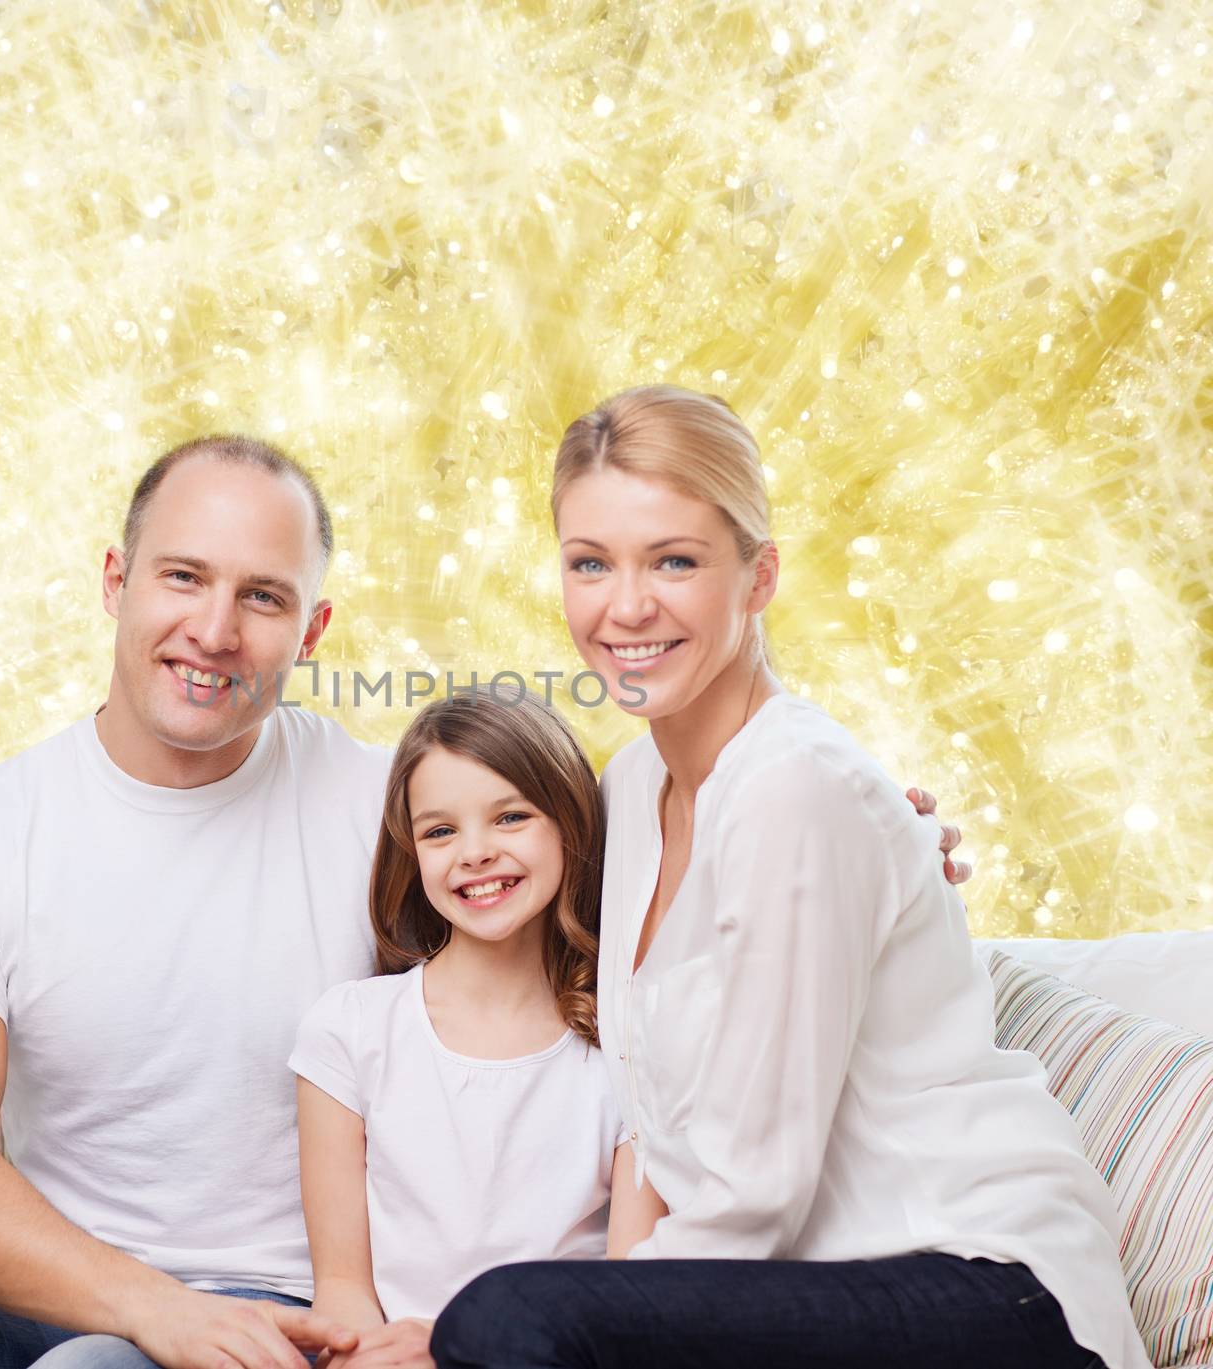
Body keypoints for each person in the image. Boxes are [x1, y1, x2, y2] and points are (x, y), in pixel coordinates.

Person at [0, 429, 965, 1369]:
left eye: (262, 597)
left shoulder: (391, 809)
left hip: (277, 1316)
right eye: (181, 578)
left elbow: (612, 822)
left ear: (312, 631)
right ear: (114, 583)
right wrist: (147, 1303)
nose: (213, 628)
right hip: (47, 1285)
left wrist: (878, 832)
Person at [429, 386, 1149, 1369]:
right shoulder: (631, 790)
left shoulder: (795, 789)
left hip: (986, 1284)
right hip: (804, 1290)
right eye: (590, 563)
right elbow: (649, 1130)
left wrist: (590, 1327)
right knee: (522, 1322)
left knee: (505, 1323)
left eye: (674, 560)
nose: (625, 605)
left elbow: (749, 1196)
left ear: (758, 575)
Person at [290, 689, 668, 1368]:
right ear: (412, 852)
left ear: (569, 825)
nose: (475, 852)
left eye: (511, 816)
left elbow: (628, 1300)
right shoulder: (349, 1031)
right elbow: (342, 1293)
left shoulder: (628, 1044)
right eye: (440, 830)